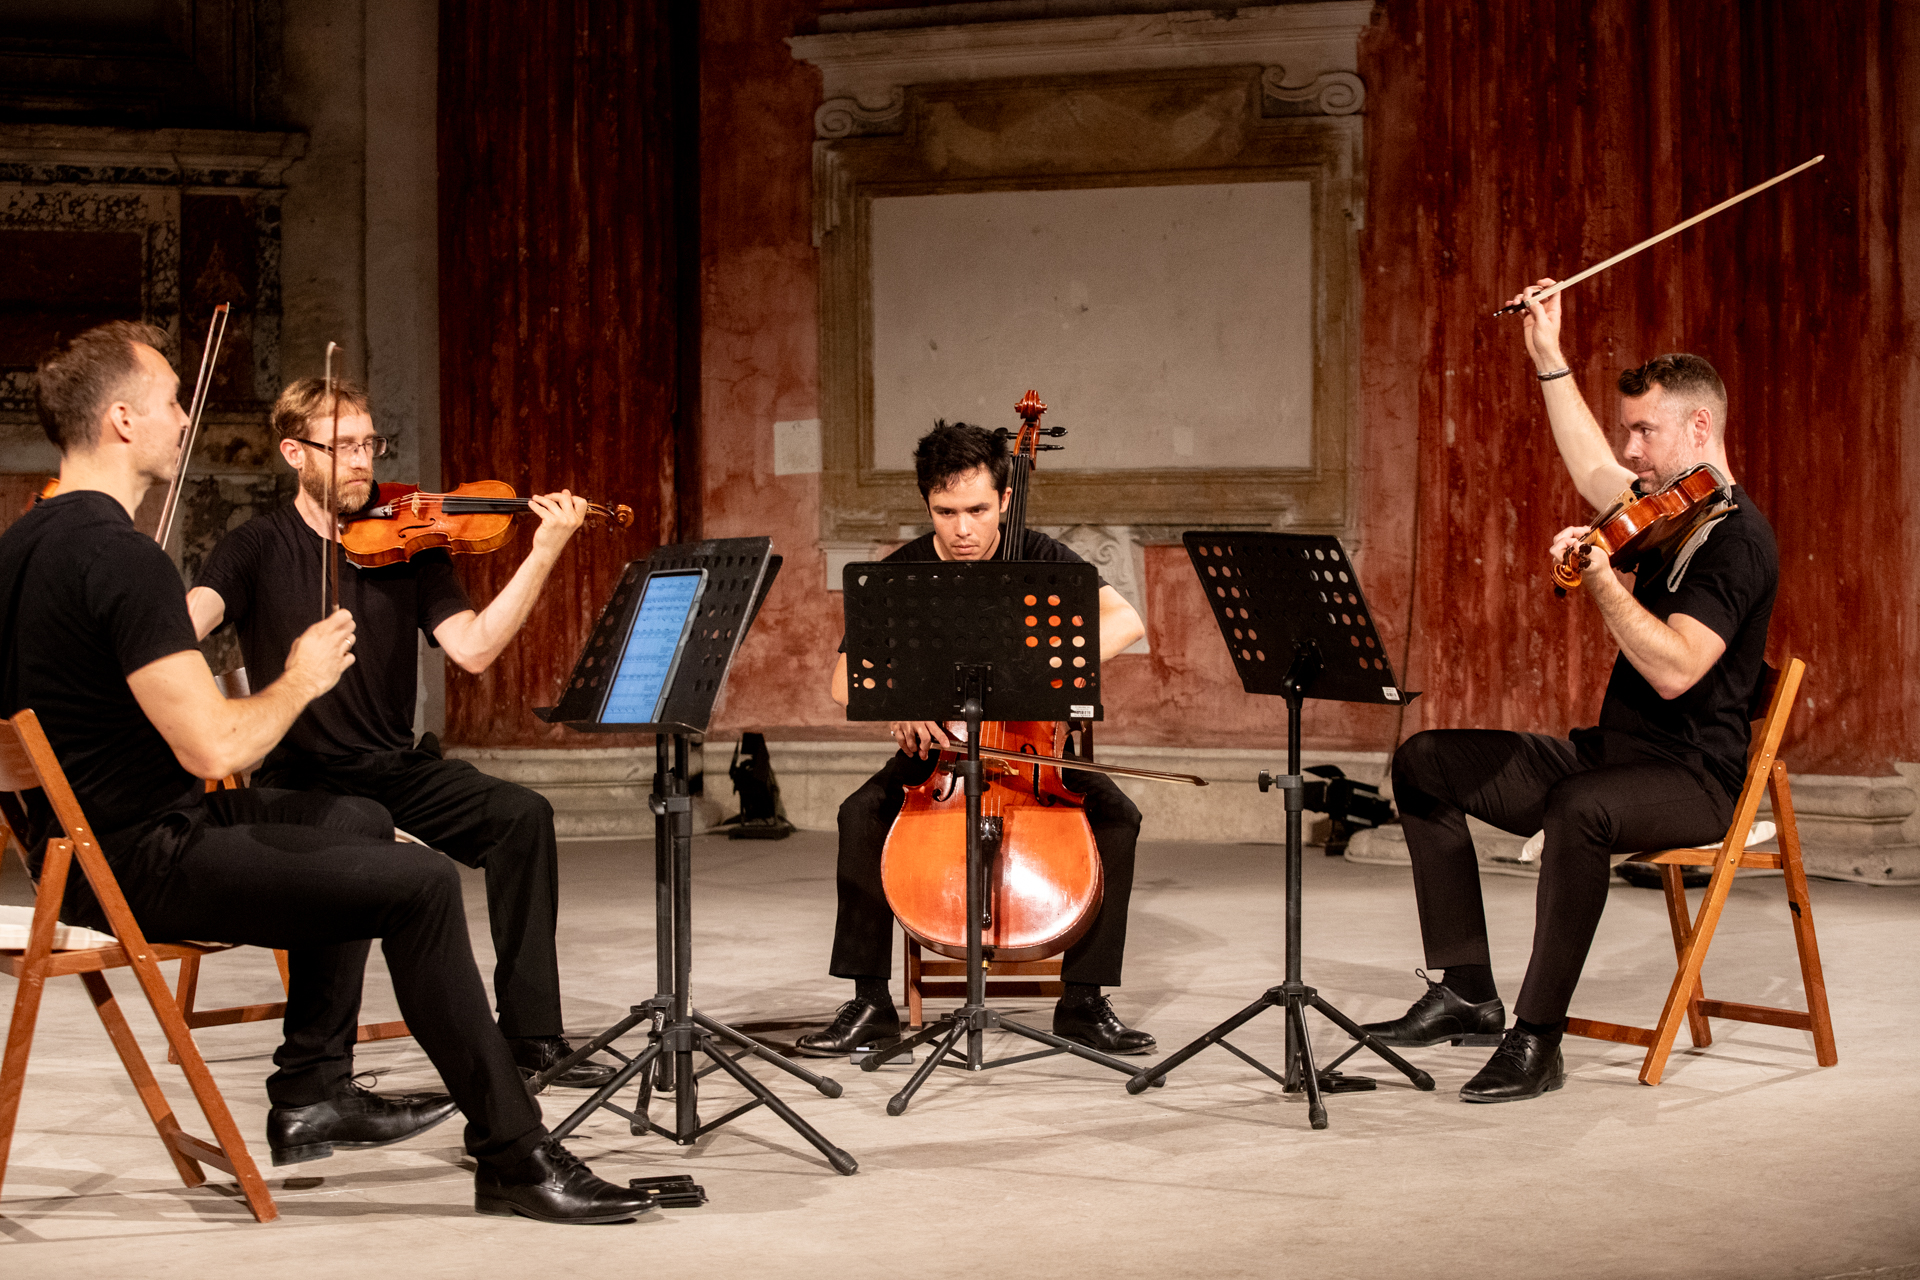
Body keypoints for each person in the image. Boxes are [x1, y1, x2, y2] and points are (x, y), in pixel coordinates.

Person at [5, 322, 647, 1221]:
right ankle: (513, 1150)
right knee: (421, 884)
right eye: (172, 403)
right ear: (120, 420)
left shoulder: (20, 546)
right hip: (138, 856)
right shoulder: (124, 557)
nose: (186, 420)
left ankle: (313, 1092)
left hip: (75, 851)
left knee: (356, 823)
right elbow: (218, 749)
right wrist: (301, 676)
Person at [1360, 281, 1778, 1103]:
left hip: (1696, 779)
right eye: (1629, 431)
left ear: (1700, 427)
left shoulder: (1738, 540)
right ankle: (1468, 991)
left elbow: (1675, 668)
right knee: (1425, 761)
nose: (1629, 452)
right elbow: (1589, 464)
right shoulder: (1670, 515)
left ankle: (1537, 1039)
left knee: (1579, 809)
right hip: (1613, 755)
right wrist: (1548, 357)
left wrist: (1603, 585)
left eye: (1644, 431)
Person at [186, 377, 614, 1091]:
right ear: (295, 453)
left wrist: (545, 551)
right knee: (352, 835)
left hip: (394, 768)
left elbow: (474, 648)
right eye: (343, 446)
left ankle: (532, 1036)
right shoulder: (255, 547)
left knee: (522, 817)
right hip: (303, 777)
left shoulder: (412, 544)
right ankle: (324, 1077)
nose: (363, 461)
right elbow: (188, 621)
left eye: (369, 444)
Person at [798, 421, 1154, 1057]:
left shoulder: (1041, 558)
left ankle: (1084, 999)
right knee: (859, 813)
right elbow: (838, 679)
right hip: (939, 760)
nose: (963, 530)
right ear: (926, 505)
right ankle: (868, 1001)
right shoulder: (902, 572)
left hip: (1028, 752)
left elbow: (1125, 621)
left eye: (978, 511)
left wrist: (1041, 679)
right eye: (946, 512)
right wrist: (898, 699)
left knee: (1119, 817)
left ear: (1006, 501)